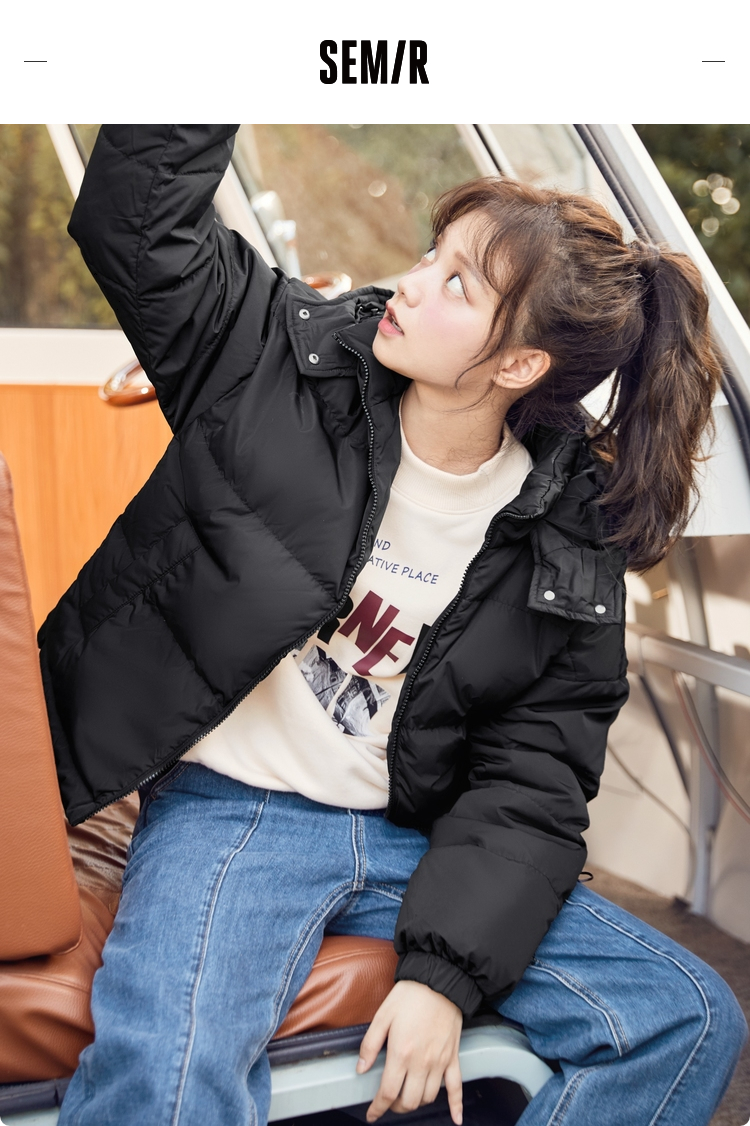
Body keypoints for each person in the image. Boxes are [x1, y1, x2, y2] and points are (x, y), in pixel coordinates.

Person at [41, 125, 746, 1126]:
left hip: (416, 833)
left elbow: (533, 775)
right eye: (430, 254)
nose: (408, 286)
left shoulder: (568, 525)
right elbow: (133, 218)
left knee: (686, 1018)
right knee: (166, 1081)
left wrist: (443, 976)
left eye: (458, 284)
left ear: (519, 363)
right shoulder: (275, 359)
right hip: (237, 809)